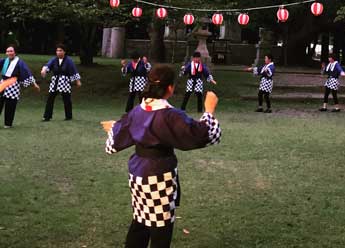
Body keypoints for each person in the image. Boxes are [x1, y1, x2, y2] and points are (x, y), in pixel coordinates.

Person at [103, 64, 221, 248]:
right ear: (170, 88)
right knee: (160, 228)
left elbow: (116, 139)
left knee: (140, 221)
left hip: (137, 174)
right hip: (159, 175)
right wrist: (209, 110)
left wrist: (114, 127)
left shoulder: (138, 111)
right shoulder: (169, 115)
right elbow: (201, 134)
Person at [0, 45, 40, 128]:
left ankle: (8, 124)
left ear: (15, 52)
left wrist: (34, 84)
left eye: (11, 51)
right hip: (3, 83)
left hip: (13, 85)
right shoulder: (4, 61)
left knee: (10, 105)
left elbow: (27, 72)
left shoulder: (20, 62)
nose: (9, 53)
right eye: (8, 51)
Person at [41, 45, 81, 121]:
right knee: (50, 98)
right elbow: (47, 65)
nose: (58, 52)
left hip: (65, 82)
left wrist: (78, 81)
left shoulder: (69, 60)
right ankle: (47, 116)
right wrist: (44, 70)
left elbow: (74, 70)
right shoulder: (54, 60)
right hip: (55, 81)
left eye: (60, 50)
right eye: (57, 51)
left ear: (64, 52)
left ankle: (68, 116)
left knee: (67, 99)